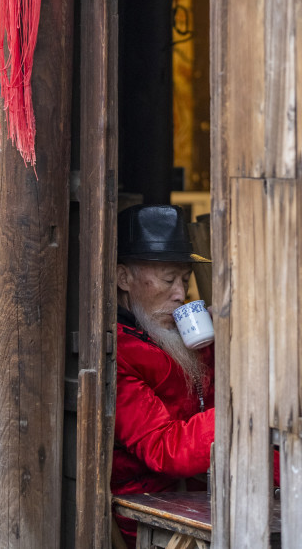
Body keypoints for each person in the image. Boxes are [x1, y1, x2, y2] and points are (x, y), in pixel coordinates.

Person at [111, 204, 214, 548]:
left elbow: (202, 398)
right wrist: (240, 408)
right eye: (169, 279)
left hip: (202, 495)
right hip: (150, 511)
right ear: (122, 278)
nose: (180, 294)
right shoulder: (118, 349)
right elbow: (164, 448)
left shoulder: (166, 334)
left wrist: (220, 344)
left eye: (184, 280)